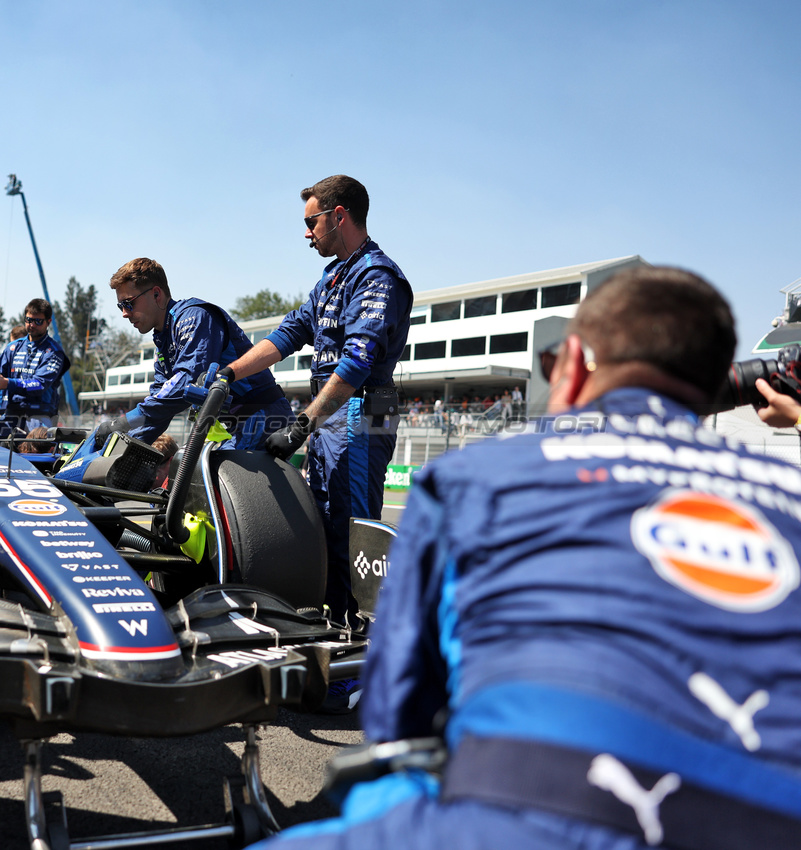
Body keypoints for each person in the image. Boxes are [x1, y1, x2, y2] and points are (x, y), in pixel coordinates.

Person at [257, 267, 801, 850]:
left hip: (529, 811)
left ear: (576, 364)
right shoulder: (790, 490)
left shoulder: (476, 477)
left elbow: (398, 726)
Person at [223, 175, 412, 712]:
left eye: (311, 221)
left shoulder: (377, 276)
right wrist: (226, 374)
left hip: (359, 410)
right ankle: (330, 652)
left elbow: (355, 364)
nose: (306, 233)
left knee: (351, 535)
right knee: (323, 529)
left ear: (340, 216)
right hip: (333, 414)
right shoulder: (332, 279)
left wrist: (304, 422)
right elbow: (284, 337)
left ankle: (361, 670)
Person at [94, 258, 292, 450]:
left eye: (129, 303)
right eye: (120, 306)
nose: (124, 313)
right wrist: (118, 447)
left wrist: (123, 422)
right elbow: (159, 407)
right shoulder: (163, 338)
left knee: (206, 476)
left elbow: (186, 381)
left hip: (265, 415)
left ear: (156, 294)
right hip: (237, 424)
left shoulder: (194, 316)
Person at [0, 298, 70, 437]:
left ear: (48, 322)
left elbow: (39, 384)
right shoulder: (13, 347)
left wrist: (7, 383)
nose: (32, 324)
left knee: (36, 452)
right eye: (28, 320)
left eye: (38, 321)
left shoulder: (54, 352)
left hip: (39, 417)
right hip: (10, 414)